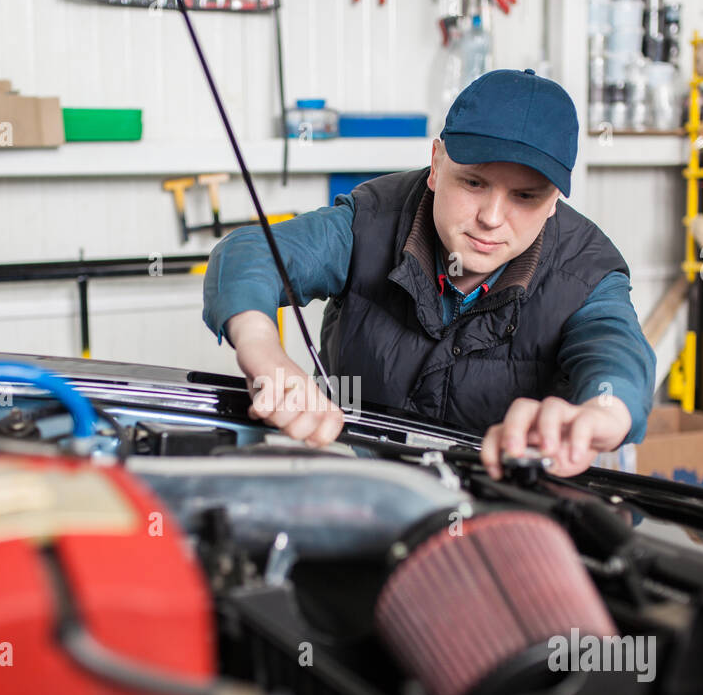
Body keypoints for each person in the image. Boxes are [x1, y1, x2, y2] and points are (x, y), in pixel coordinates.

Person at [201, 69, 655, 478]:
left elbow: (616, 353)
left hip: (498, 523)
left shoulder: (586, 272)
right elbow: (248, 254)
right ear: (436, 163)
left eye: (525, 196)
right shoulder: (371, 221)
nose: (492, 218)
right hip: (353, 490)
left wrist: (603, 413)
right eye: (474, 183)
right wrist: (264, 351)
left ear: (554, 200)